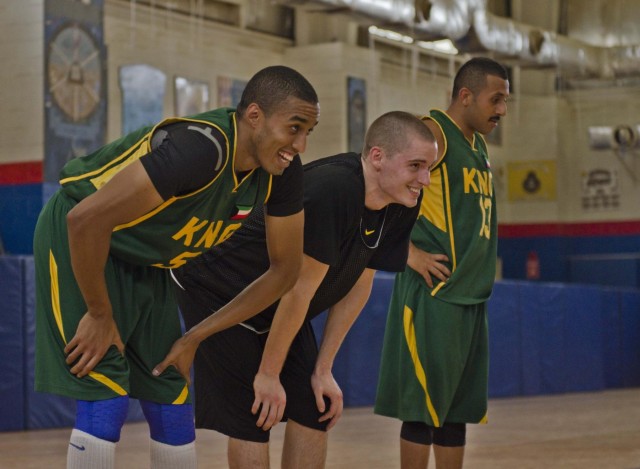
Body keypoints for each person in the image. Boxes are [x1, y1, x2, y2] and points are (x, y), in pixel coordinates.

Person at [33, 65, 320, 469]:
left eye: (309, 131)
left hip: (146, 261)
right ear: (254, 116)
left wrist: (195, 337)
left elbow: (285, 272)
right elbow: (85, 219)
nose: (301, 144)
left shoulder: (281, 174)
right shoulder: (202, 149)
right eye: (295, 127)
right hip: (82, 238)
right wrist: (99, 313)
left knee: (171, 398)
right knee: (106, 396)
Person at [159, 111, 438, 468]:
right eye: (415, 165)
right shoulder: (336, 188)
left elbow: (358, 285)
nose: (425, 180)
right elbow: (297, 290)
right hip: (218, 287)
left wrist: (323, 368)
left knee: (314, 406)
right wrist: (269, 374)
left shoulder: (401, 201)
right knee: (254, 414)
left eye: (428, 167)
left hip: (280, 300)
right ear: (377, 157)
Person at [374, 57, 509, 469]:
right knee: (420, 411)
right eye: (496, 99)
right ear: (465, 95)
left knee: (454, 412)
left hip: (470, 293)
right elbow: (378, 184)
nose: (502, 109)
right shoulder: (432, 133)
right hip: (434, 291)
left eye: (506, 100)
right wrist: (406, 253)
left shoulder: (479, 145)